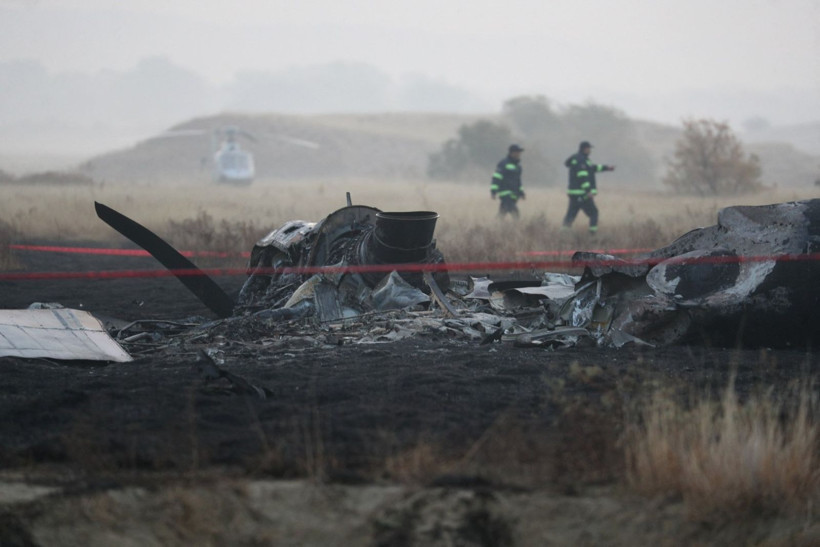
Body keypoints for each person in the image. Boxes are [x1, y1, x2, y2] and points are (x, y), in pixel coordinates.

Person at [562, 141, 615, 233]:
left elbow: (592, 168)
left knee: (570, 215)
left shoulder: (581, 159)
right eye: (589, 148)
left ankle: (563, 234)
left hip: (574, 194)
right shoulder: (581, 160)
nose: (590, 150)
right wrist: (588, 191)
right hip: (582, 194)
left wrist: (607, 168)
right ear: (585, 149)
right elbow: (582, 176)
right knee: (594, 213)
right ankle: (592, 235)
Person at [490, 144, 526, 218]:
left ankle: (494, 227)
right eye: (517, 152)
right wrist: (493, 191)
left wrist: (521, 192)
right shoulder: (503, 164)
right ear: (512, 153)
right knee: (516, 214)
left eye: (519, 152)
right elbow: (496, 177)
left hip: (514, 195)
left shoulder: (518, 167)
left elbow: (518, 181)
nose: (519, 154)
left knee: (502, 214)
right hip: (505, 194)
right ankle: (517, 228)